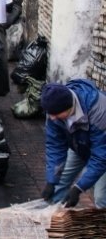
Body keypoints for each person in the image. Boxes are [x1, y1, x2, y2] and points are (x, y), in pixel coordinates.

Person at [40, 80, 106, 208]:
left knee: (101, 197)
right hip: (80, 145)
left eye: (56, 114)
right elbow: (55, 146)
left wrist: (78, 188)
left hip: (103, 149)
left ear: (69, 107)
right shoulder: (54, 108)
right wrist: (51, 181)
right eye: (50, 114)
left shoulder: (100, 111)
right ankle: (53, 217)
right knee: (59, 183)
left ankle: (101, 220)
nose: (52, 118)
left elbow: (101, 157)